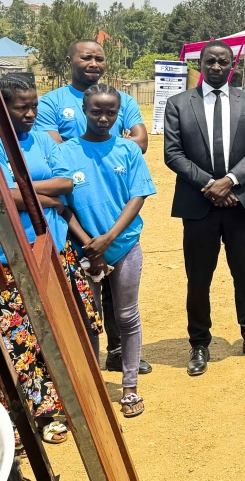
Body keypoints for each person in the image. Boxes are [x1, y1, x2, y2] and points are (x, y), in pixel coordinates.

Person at [35, 39, 150, 376]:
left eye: (99, 58)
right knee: (88, 310)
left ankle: (121, 356)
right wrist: (86, 149)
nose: (93, 63)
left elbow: (139, 142)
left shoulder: (123, 98)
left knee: (124, 308)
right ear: (70, 59)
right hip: (79, 229)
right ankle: (93, 377)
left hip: (118, 229)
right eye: (86, 57)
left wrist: (112, 148)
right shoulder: (51, 102)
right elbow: (55, 148)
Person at [0, 76, 104, 445]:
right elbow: (3, 196)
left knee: (74, 325)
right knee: (23, 339)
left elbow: (66, 183)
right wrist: (47, 200)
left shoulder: (44, 140)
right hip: (12, 257)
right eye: (21, 107)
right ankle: (35, 418)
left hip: (56, 249)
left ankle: (81, 404)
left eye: (34, 106)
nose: (30, 114)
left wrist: (25, 192)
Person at [163, 41, 245, 377]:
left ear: (232, 66)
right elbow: (173, 153)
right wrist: (211, 186)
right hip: (199, 204)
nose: (216, 67)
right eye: (210, 61)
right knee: (198, 278)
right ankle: (199, 343)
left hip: (240, 203)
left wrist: (230, 181)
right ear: (200, 63)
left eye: (223, 62)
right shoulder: (178, 104)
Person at [50, 83, 156, 418]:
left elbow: (137, 197)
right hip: (85, 250)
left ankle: (129, 388)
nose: (103, 117)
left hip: (123, 245)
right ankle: (93, 386)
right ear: (84, 110)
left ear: (119, 112)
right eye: (96, 110)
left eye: (111, 111)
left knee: (127, 316)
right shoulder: (65, 153)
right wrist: (87, 241)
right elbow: (61, 205)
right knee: (89, 319)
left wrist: (109, 238)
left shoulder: (127, 150)